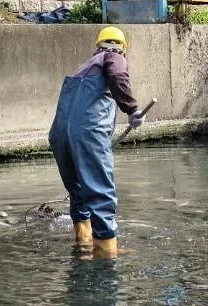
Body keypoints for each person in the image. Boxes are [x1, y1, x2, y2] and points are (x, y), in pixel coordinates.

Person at [48, 25, 146, 260]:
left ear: (97, 45)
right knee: (101, 194)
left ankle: (84, 242)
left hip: (59, 135)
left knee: (79, 192)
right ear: (122, 47)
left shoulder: (83, 67)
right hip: (89, 134)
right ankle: (105, 253)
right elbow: (117, 75)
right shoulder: (114, 57)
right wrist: (132, 110)